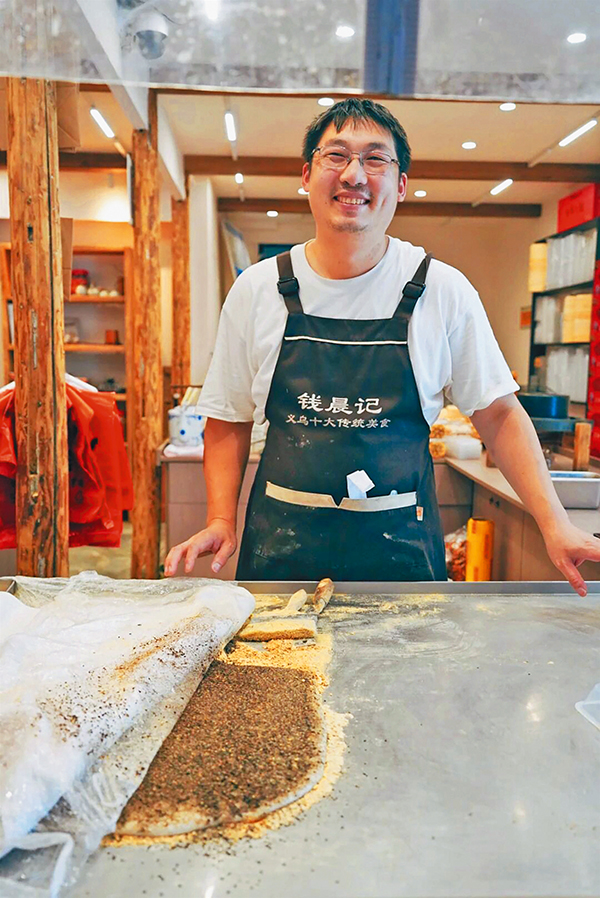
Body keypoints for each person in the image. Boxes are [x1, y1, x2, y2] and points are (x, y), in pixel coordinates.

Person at [165, 98, 600, 593]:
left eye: (375, 159)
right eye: (336, 155)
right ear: (307, 175)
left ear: (401, 185)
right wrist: (221, 519)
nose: (354, 175)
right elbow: (227, 417)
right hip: (280, 558)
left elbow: (498, 414)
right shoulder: (258, 289)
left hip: (404, 563)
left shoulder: (442, 289)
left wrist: (554, 523)